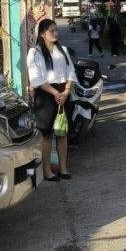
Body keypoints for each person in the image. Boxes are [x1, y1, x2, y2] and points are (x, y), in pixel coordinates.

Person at [26, 19, 76, 182]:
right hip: (46, 95)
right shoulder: (35, 53)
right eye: (51, 31)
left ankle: (63, 168)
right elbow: (36, 78)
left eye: (56, 30)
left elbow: (71, 72)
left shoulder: (63, 50)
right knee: (46, 134)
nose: (55, 33)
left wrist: (66, 91)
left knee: (62, 132)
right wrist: (56, 93)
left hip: (63, 94)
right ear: (42, 34)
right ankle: (47, 171)